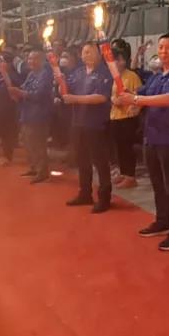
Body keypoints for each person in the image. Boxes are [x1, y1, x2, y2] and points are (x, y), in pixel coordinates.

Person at [115, 34, 169, 251]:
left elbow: (168, 100)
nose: (163, 51)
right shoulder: (156, 77)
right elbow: (139, 94)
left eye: (168, 47)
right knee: (158, 184)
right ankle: (162, 221)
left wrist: (136, 99)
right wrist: (125, 95)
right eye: (160, 47)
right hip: (152, 137)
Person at [63, 42, 114, 213]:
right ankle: (85, 193)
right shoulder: (77, 73)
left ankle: (104, 198)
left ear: (99, 55)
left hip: (97, 124)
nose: (87, 55)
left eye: (91, 52)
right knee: (81, 159)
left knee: (100, 161)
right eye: (85, 52)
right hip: (78, 122)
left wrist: (75, 99)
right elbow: (66, 90)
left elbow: (101, 97)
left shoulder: (105, 73)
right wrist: (60, 81)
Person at [8, 48, 53, 184]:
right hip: (27, 113)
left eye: (34, 58)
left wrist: (21, 93)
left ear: (42, 60)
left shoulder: (45, 75)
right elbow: (24, 88)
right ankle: (34, 167)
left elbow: (39, 95)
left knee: (38, 144)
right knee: (28, 142)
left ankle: (42, 172)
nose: (31, 61)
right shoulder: (31, 74)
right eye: (29, 59)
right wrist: (16, 92)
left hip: (39, 115)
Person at [108, 39, 142, 189]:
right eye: (115, 60)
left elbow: (139, 95)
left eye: (120, 60)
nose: (118, 63)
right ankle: (123, 173)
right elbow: (111, 94)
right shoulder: (114, 77)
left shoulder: (132, 76)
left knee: (127, 147)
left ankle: (130, 176)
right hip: (115, 116)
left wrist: (129, 101)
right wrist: (114, 100)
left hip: (128, 117)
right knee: (119, 147)